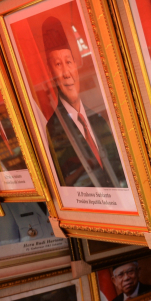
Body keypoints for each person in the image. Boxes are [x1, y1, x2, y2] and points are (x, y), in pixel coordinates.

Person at [41, 17, 127, 189]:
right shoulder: (53, 130)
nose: (66, 73)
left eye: (68, 62)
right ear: (50, 73)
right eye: (58, 64)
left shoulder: (98, 119)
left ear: (76, 66)